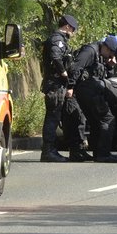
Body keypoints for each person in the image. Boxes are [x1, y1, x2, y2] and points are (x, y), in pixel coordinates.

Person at [40, 14, 90, 162]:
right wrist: (63, 73)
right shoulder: (57, 39)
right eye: (73, 29)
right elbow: (55, 57)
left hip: (57, 84)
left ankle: (52, 150)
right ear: (67, 27)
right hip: (55, 84)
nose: (73, 33)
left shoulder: (60, 40)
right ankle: (48, 151)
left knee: (55, 117)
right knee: (52, 118)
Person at [68, 36, 117, 163]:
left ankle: (98, 153)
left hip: (89, 89)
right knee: (108, 119)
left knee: (95, 121)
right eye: (110, 53)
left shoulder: (100, 54)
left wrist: (109, 66)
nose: (110, 56)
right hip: (86, 90)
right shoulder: (90, 51)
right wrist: (70, 86)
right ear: (105, 47)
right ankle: (103, 154)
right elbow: (76, 68)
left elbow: (98, 72)